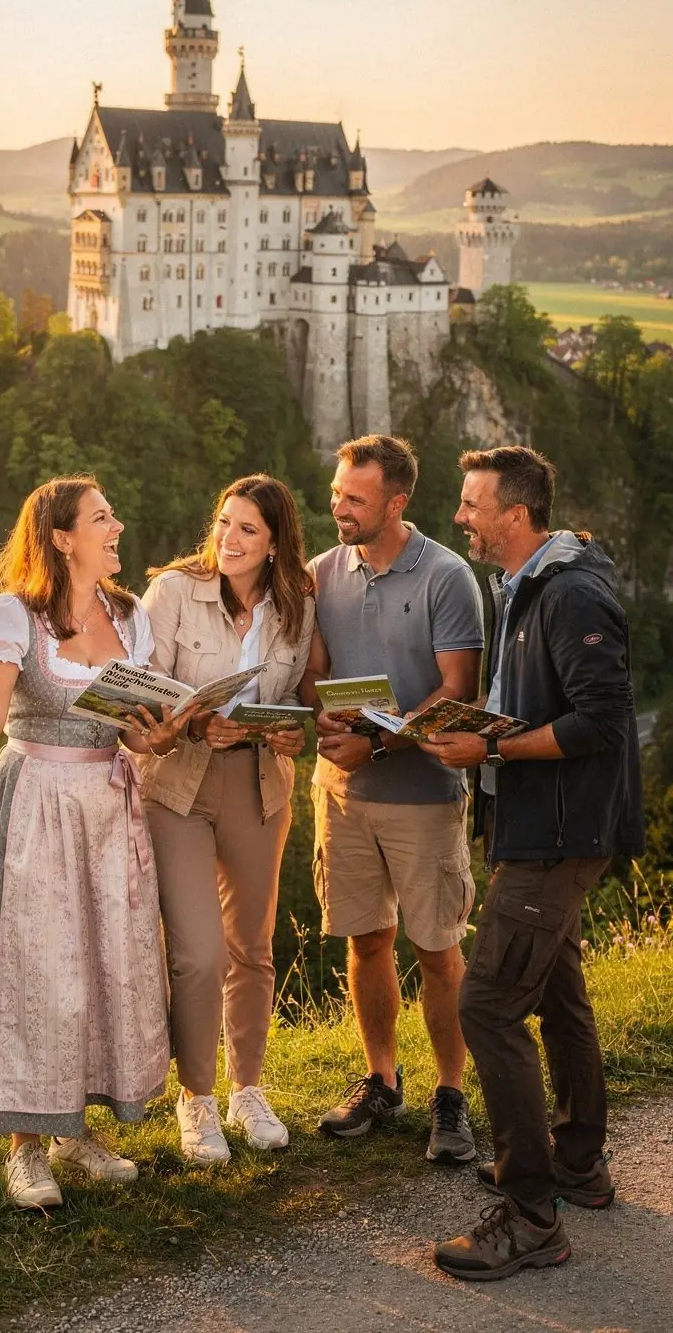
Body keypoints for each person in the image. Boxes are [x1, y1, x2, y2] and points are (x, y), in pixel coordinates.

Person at [0, 476, 189, 1210]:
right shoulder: (14, 614)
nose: (117, 527)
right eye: (101, 518)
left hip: (108, 806)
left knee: (100, 964)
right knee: (39, 969)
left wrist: (159, 733)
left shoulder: (128, 616)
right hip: (35, 804)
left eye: (113, 515)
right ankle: (25, 1149)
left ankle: (76, 1132)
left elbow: (136, 730)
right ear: (61, 537)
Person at [427, 445, 643, 1281]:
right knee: (559, 989)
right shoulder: (526, 585)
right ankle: (579, 1164)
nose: (461, 518)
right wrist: (475, 732)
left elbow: (601, 723)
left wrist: (498, 749)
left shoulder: (573, 591)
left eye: (473, 505)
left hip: (556, 837)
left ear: (515, 515)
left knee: (485, 1009)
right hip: (542, 826)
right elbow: (541, 702)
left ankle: (530, 1214)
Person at [299, 434, 485, 1163]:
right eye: (338, 493)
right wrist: (320, 715)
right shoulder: (322, 573)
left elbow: (456, 692)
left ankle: (451, 1095)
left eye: (355, 498)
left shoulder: (446, 575)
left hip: (423, 796)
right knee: (365, 940)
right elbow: (314, 674)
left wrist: (377, 743)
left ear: (396, 502)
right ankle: (381, 1079)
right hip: (342, 793)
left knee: (436, 950)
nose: (339, 507)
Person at [138, 474, 315, 1165]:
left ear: (275, 544)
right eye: (222, 523)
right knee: (197, 952)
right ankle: (198, 1100)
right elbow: (142, 690)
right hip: (179, 784)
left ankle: (248, 1089)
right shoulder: (174, 592)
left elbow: (301, 699)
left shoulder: (297, 605)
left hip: (259, 784)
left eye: (247, 529)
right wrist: (192, 723)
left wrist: (295, 733)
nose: (229, 540)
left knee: (252, 946)